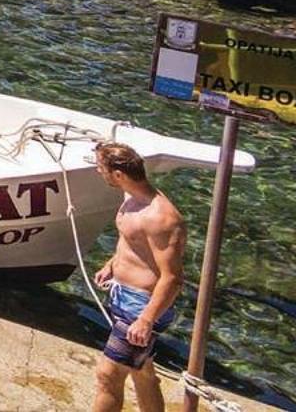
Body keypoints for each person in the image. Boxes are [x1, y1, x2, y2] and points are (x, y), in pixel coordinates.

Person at [91, 141, 185, 412]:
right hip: (122, 296)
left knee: (108, 376)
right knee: (142, 373)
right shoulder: (129, 198)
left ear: (118, 174)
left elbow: (173, 278)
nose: (99, 173)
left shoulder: (161, 217)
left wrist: (146, 320)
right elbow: (134, 244)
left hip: (141, 306)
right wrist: (112, 263)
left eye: (101, 168)